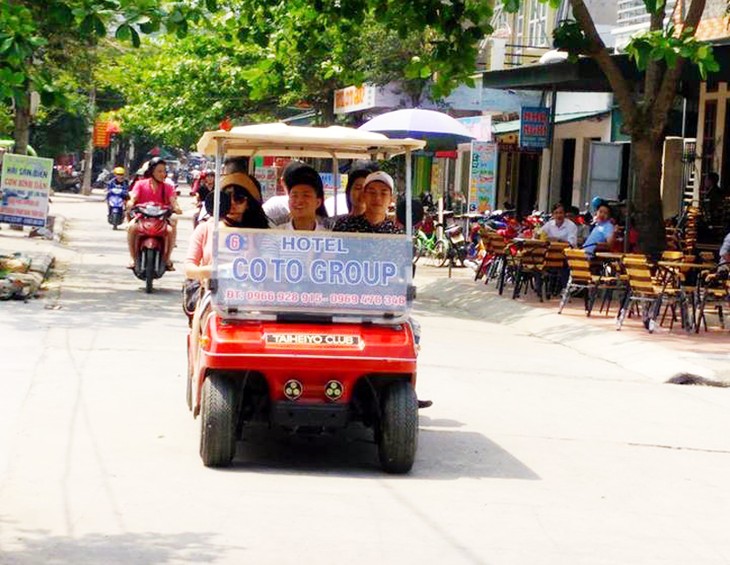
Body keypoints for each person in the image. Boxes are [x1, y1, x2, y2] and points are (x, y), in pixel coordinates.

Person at [184, 172, 269, 362]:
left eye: (238, 198)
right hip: (213, 292)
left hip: (253, 295)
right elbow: (189, 268)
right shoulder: (206, 228)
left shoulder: (260, 234)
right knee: (203, 317)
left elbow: (271, 268)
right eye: (226, 197)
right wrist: (213, 271)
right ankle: (200, 364)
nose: (232, 203)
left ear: (249, 203)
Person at [126, 158, 182, 270]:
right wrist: (131, 202)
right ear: (152, 171)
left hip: (161, 218)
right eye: (159, 171)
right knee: (132, 227)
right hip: (142, 217)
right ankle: (133, 258)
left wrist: (176, 207)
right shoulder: (140, 184)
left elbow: (173, 201)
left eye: (164, 171)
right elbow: (133, 197)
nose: (163, 174)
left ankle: (167, 259)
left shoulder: (168, 187)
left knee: (170, 230)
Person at [332, 171, 403, 234]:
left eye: (383, 193)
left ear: (391, 199)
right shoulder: (344, 226)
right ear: (363, 196)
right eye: (372, 192)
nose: (377, 198)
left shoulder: (395, 233)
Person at [282, 165, 329, 231]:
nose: (299, 201)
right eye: (294, 195)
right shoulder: (275, 235)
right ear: (288, 201)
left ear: (318, 202)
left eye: (306, 195)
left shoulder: (328, 237)